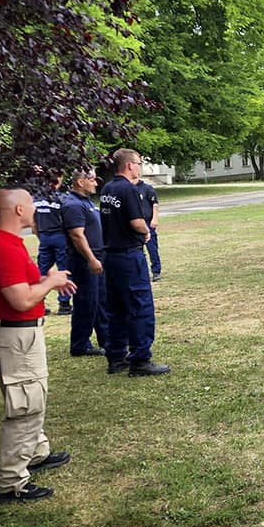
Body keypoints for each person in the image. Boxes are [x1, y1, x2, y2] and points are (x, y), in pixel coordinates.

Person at [0, 188, 75, 504]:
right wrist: (51, 282)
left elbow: (22, 287)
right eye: (31, 204)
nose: (35, 210)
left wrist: (46, 281)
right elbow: (19, 300)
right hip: (16, 339)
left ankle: (35, 453)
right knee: (24, 408)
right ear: (19, 209)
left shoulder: (8, 243)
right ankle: (11, 483)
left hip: (20, 336)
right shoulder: (2, 248)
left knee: (31, 400)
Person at [99, 149, 170, 376]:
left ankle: (116, 357)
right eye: (138, 163)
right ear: (130, 165)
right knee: (140, 307)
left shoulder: (107, 189)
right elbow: (136, 221)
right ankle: (140, 359)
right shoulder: (128, 189)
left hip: (110, 255)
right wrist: (146, 231)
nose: (140, 167)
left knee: (116, 308)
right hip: (129, 255)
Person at [61, 169, 107, 357]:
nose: (96, 183)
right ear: (80, 182)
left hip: (98, 256)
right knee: (86, 301)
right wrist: (91, 259)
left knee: (100, 301)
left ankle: (106, 338)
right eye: (92, 179)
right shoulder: (73, 205)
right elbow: (77, 235)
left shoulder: (86, 202)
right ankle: (80, 344)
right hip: (84, 260)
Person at [33, 173, 73, 315]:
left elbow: (33, 223)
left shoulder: (36, 198)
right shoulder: (62, 198)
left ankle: (38, 302)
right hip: (60, 236)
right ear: (59, 180)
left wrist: (40, 236)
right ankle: (64, 304)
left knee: (41, 271)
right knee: (64, 270)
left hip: (44, 236)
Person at [136, 177, 162, 281]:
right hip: (136, 223)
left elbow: (155, 204)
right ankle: (141, 272)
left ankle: (156, 271)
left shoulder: (147, 188)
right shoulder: (128, 189)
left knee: (152, 249)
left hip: (148, 223)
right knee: (137, 250)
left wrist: (154, 219)